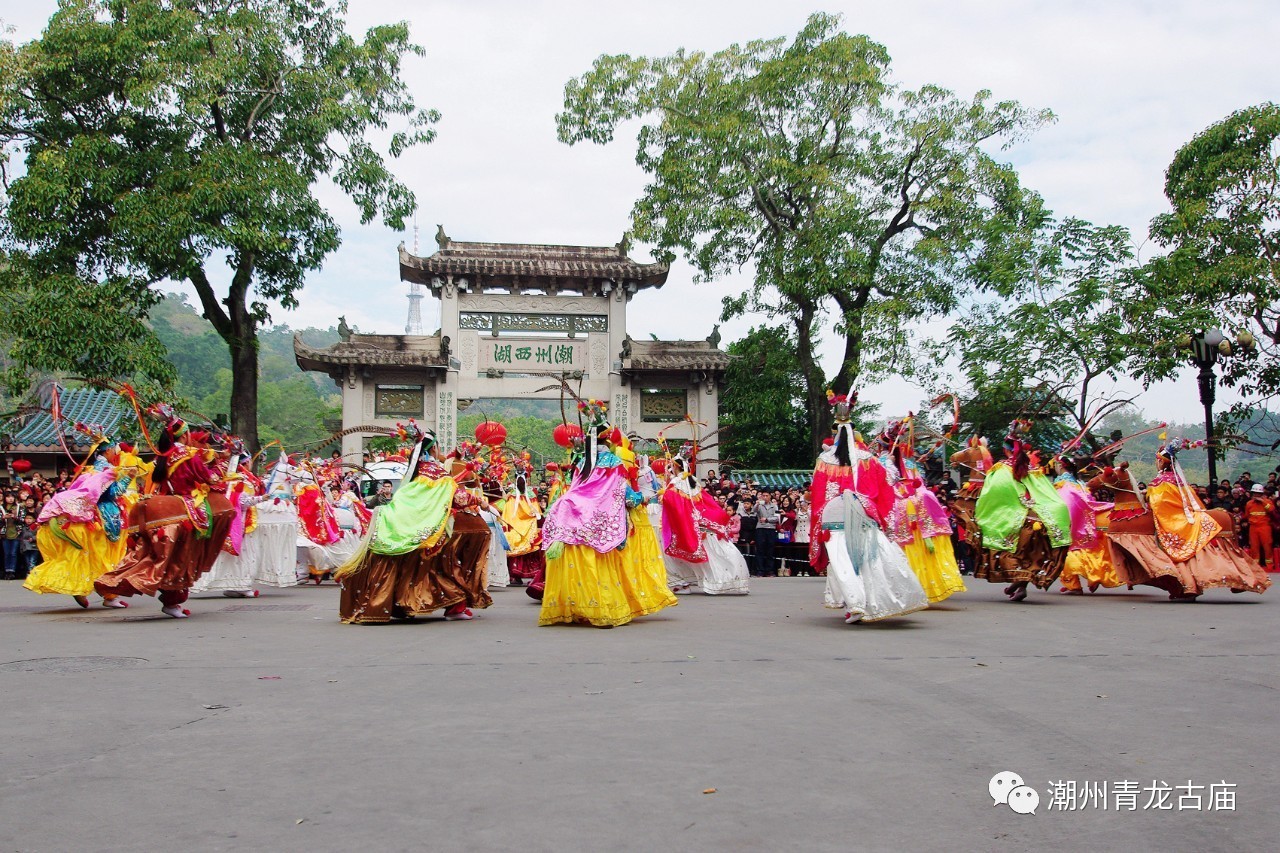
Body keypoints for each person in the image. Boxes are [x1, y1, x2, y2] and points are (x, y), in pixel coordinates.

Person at [539, 402, 678, 626]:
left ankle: (572, 609)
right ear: (609, 443)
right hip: (600, 521)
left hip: (570, 517)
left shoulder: (581, 464)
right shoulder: (613, 463)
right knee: (602, 567)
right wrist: (644, 497)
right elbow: (623, 493)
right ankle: (601, 610)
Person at [336, 426, 491, 623]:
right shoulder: (435, 472)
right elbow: (455, 495)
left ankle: (395, 604)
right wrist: (480, 501)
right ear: (432, 449)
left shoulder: (416, 471)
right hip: (426, 528)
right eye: (437, 446)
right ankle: (453, 605)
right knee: (444, 565)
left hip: (404, 524)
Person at [808, 391, 928, 623]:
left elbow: (819, 494)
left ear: (834, 433)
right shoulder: (868, 459)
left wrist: (819, 521)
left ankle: (856, 604)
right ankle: (885, 600)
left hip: (834, 517)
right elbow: (883, 490)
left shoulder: (824, 461)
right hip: (864, 514)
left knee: (843, 562)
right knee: (872, 560)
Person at [1244, 483, 1275, 568]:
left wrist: (1263, 501)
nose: (1255, 495)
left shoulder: (1267, 501)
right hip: (1253, 527)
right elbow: (1247, 515)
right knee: (1254, 546)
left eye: (1257, 494)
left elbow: (1271, 510)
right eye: (1254, 493)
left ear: (1261, 494)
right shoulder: (1249, 503)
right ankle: (1255, 566)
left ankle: (1269, 565)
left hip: (1264, 526)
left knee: (1267, 545)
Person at [753, 492, 779, 576]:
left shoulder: (774, 506)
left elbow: (777, 517)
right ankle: (760, 570)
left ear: (770, 496)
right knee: (760, 550)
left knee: (770, 550)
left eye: (767, 496)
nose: (765, 497)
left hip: (771, 528)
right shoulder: (759, 505)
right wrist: (757, 504)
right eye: (763, 496)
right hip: (760, 528)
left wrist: (767, 519)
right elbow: (754, 511)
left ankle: (769, 570)